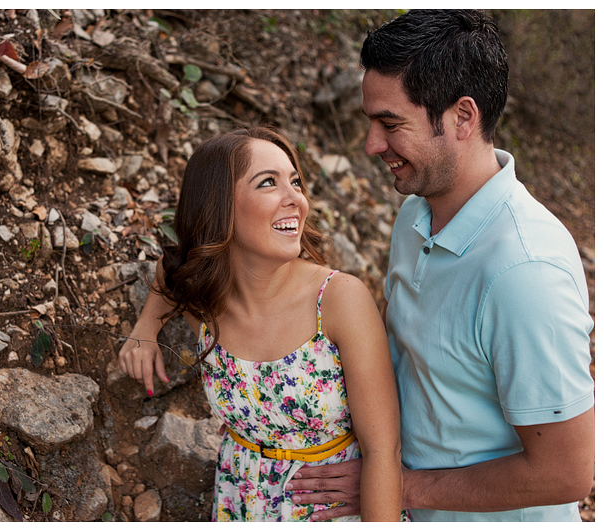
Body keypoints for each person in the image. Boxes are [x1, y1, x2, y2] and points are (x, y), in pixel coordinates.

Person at [285, 9, 595, 522]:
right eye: (370, 122)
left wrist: (399, 487)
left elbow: (566, 472)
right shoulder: (414, 215)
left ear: (463, 117)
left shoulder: (525, 273)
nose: (371, 145)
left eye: (390, 124)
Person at [118, 127, 404, 521]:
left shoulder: (338, 301)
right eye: (268, 183)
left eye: (296, 182)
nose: (295, 199)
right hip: (243, 501)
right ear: (217, 206)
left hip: (334, 510)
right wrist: (143, 331)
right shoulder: (207, 304)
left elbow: (383, 453)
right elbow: (169, 270)